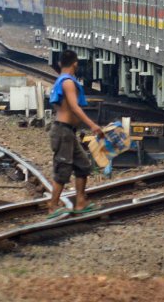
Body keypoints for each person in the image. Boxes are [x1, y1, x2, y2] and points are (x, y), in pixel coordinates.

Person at [46, 50, 104, 218]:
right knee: (62, 169)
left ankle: (80, 202)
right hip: (63, 131)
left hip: (68, 132)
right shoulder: (68, 83)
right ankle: (53, 206)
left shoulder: (61, 81)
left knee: (83, 165)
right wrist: (93, 125)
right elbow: (74, 107)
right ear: (75, 64)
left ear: (59, 64)